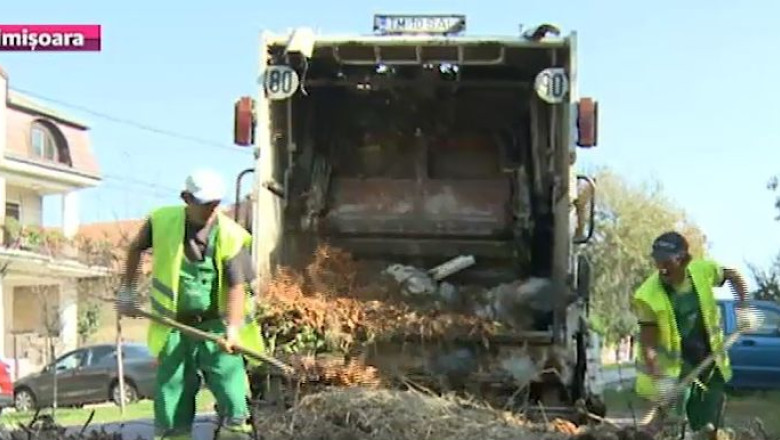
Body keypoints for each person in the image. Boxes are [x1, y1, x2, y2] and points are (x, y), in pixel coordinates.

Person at [117, 168, 265, 440]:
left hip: (215, 328)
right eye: (204, 203)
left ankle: (236, 434)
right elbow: (136, 248)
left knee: (233, 393)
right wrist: (127, 290)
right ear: (186, 198)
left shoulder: (230, 234)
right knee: (172, 397)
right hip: (174, 327)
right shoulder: (162, 221)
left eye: (215, 203)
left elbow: (236, 285)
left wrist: (232, 329)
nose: (211, 209)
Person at [633, 231, 749, 439]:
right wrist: (660, 379)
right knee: (671, 428)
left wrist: (744, 308)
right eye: (657, 261)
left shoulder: (702, 270)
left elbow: (733, 276)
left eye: (667, 261)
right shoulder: (647, 294)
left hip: (710, 363)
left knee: (708, 427)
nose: (661, 267)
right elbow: (648, 343)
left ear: (683, 259)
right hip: (677, 371)